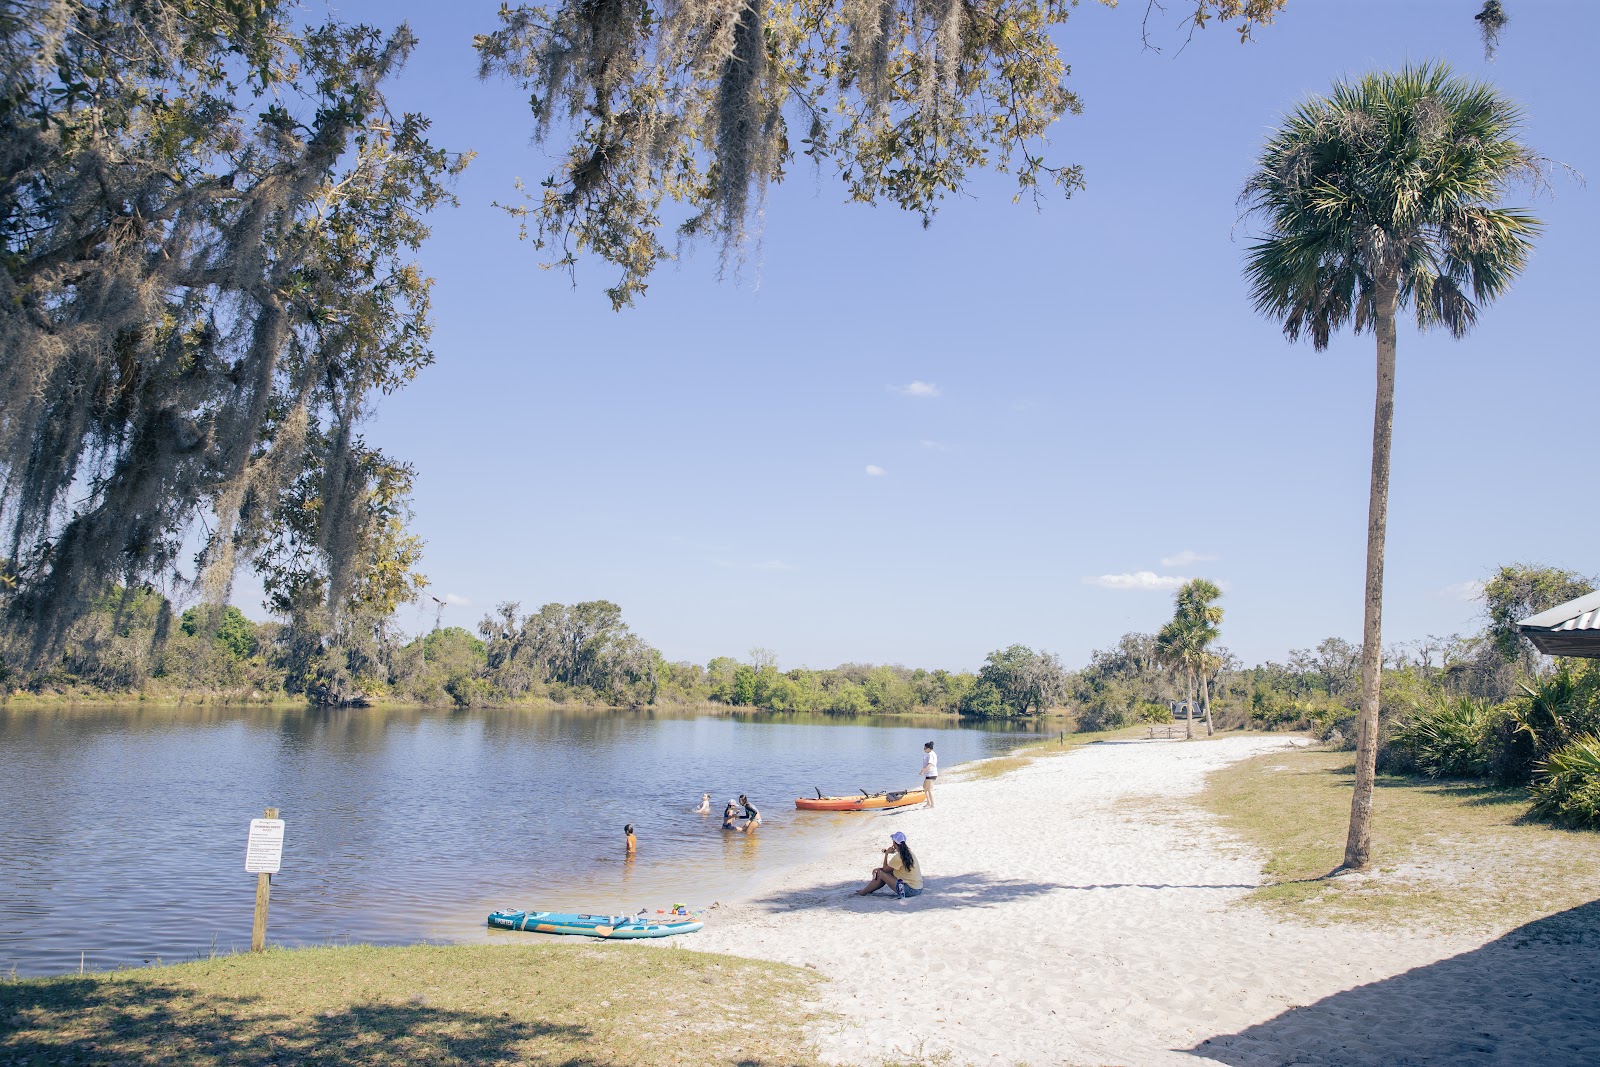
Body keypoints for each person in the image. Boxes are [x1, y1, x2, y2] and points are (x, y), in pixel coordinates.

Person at [856, 831, 922, 898]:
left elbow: (884, 870)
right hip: (918, 888)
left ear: (894, 843)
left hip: (910, 890)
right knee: (887, 872)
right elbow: (889, 869)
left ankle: (864, 892)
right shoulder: (908, 852)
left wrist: (886, 854)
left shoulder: (899, 857)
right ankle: (866, 891)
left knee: (881, 873)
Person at [921, 740, 938, 808]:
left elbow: (930, 764)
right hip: (929, 774)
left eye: (925, 748)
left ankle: (932, 804)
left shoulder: (931, 754)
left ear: (928, 748)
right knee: (925, 787)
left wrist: (923, 771)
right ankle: (928, 802)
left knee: (930, 789)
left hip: (931, 774)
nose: (924, 749)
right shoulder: (931, 753)